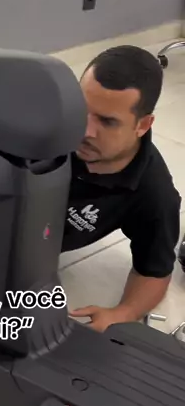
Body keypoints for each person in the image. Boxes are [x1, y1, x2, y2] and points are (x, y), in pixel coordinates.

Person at [62, 44, 182, 332]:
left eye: (107, 121)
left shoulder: (154, 194)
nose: (85, 131)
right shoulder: (49, 120)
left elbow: (153, 272)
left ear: (143, 125)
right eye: (82, 109)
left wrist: (123, 313)